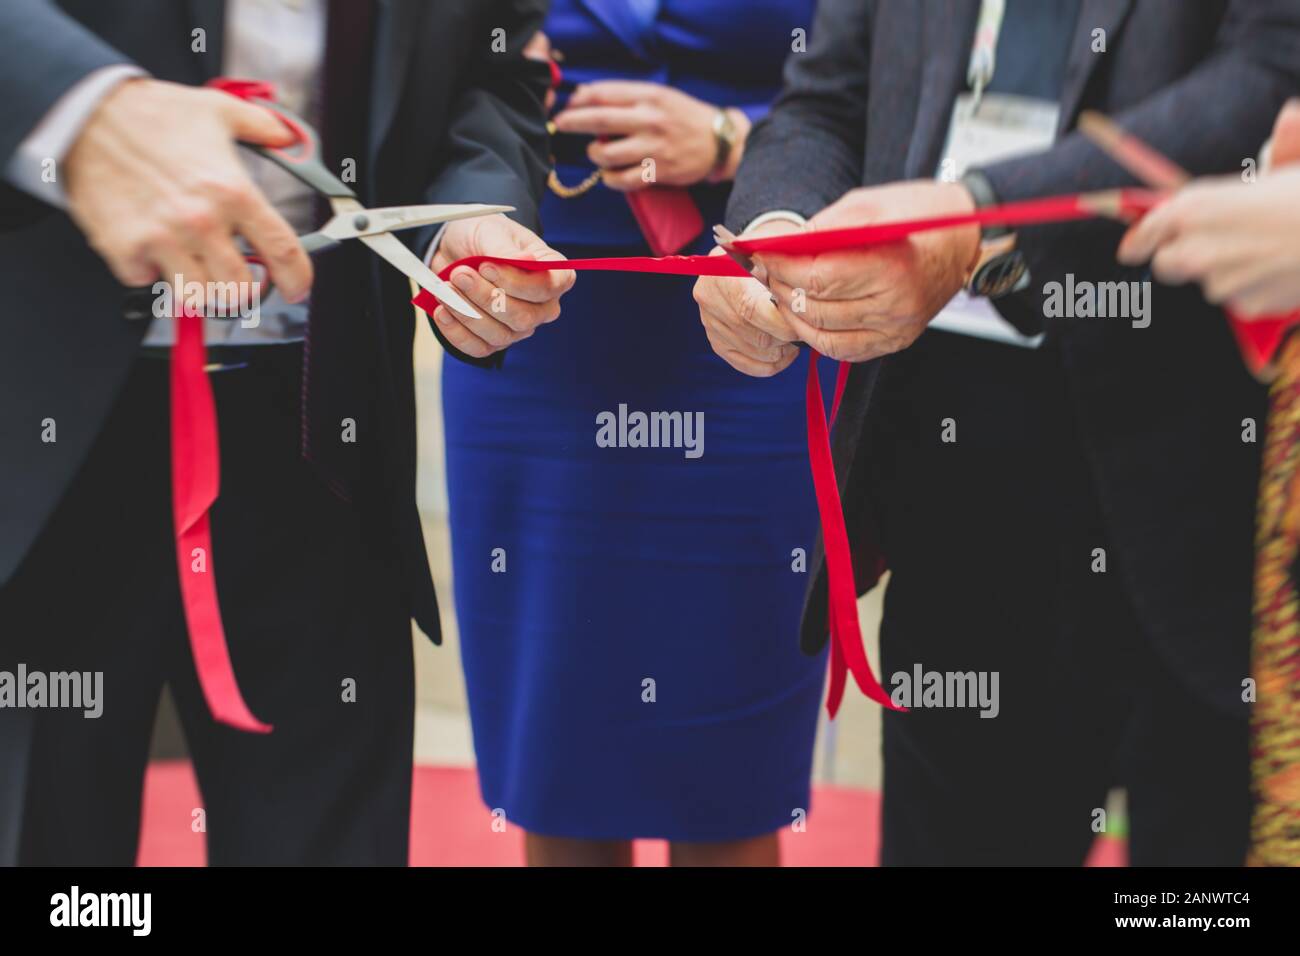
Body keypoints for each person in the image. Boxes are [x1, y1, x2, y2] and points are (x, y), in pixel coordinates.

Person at [694, 0, 1300, 864]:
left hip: (1204, 447)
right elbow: (825, 101)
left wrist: (979, 211)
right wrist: (776, 237)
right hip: (948, 440)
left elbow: (1263, 80)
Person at [0, 0, 572, 866]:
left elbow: (495, 65)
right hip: (38, 421)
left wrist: (468, 213)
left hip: (325, 429)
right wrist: (77, 107)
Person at [441, 0, 825, 867]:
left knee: (730, 769)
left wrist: (737, 137)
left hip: (753, 302)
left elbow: (879, 82)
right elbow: (423, 65)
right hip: (538, 309)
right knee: (560, 755)